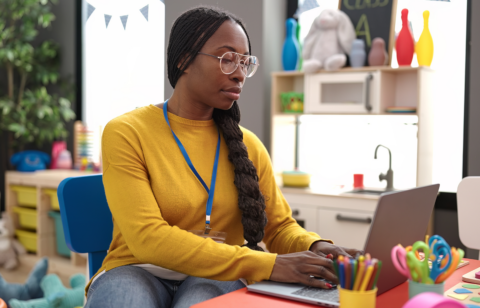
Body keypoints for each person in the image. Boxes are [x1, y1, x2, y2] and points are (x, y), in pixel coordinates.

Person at [84, 6, 361, 308]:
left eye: (245, 62)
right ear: (183, 60)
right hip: (135, 268)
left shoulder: (249, 145)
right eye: (228, 59)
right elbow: (147, 237)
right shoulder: (127, 132)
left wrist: (315, 246)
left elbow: (279, 227)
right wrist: (267, 264)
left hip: (217, 273)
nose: (240, 74)